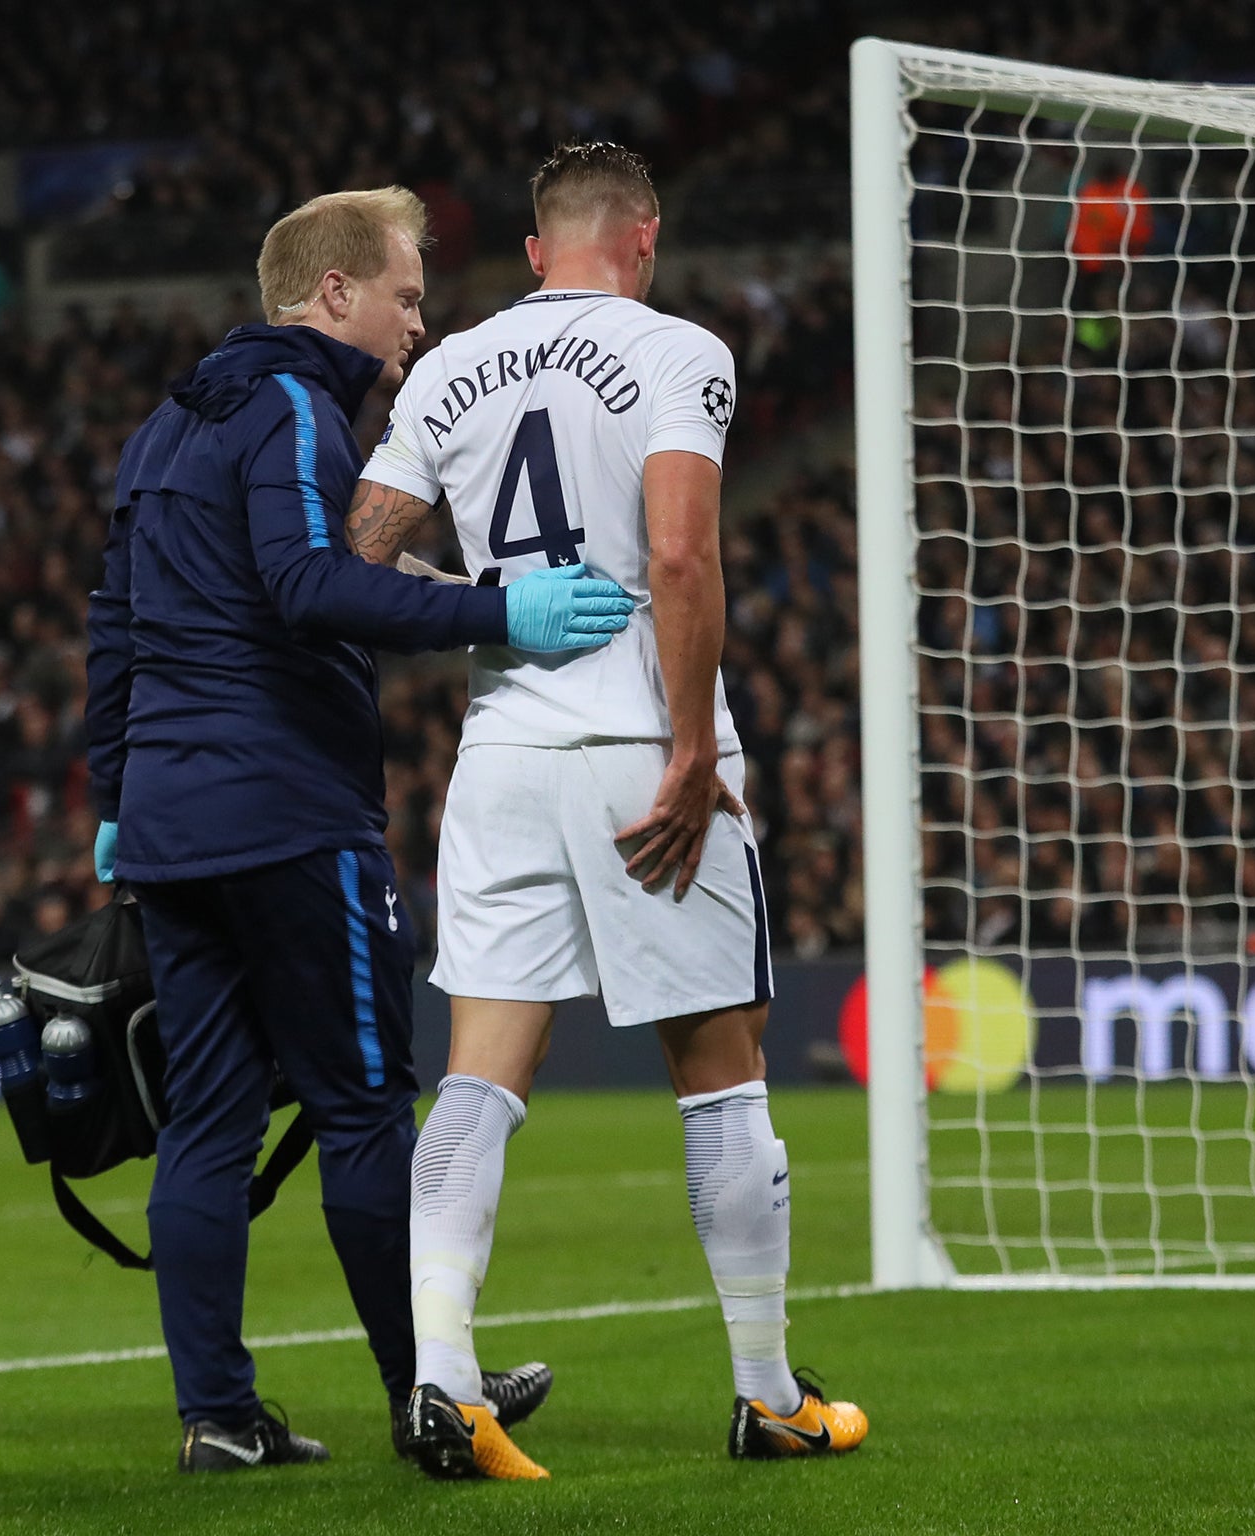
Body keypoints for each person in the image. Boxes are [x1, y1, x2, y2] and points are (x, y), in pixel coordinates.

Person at [84, 186, 635, 1474]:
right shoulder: (287, 406)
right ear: (333, 293)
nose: (414, 325)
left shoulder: (164, 423)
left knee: (211, 1125)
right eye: (403, 297)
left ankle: (217, 1418)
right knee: (365, 1108)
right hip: (285, 814)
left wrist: (116, 795)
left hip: (172, 826)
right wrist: (497, 610)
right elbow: (308, 588)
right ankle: (427, 1387)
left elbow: (115, 623)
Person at [345, 142, 867, 1481]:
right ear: (642, 239)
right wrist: (695, 744)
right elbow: (682, 550)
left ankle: (447, 1386)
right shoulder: (678, 349)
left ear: (534, 251)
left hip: (504, 749)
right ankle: (765, 1393)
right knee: (719, 1065)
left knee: (477, 1069)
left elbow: (362, 549)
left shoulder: (452, 363)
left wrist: (485, 597)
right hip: (639, 742)